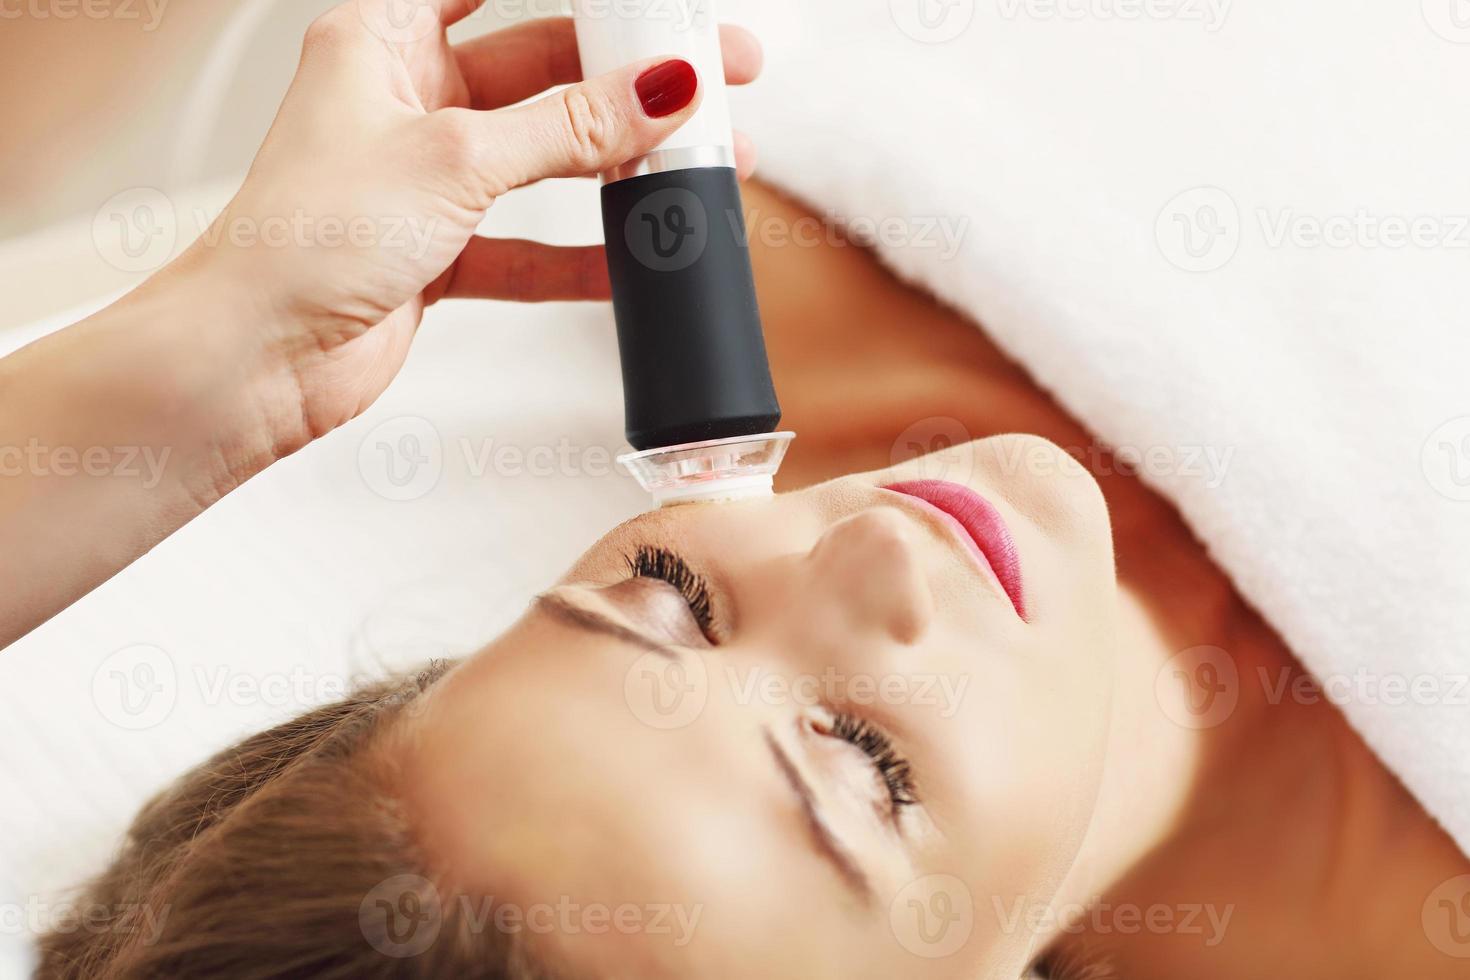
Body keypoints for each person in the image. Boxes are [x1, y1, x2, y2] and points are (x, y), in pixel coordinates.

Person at [14, 5, 1470, 979]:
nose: (875, 560)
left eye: (671, 593)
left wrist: (217, 349)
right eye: (863, 765)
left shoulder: (701, 196)